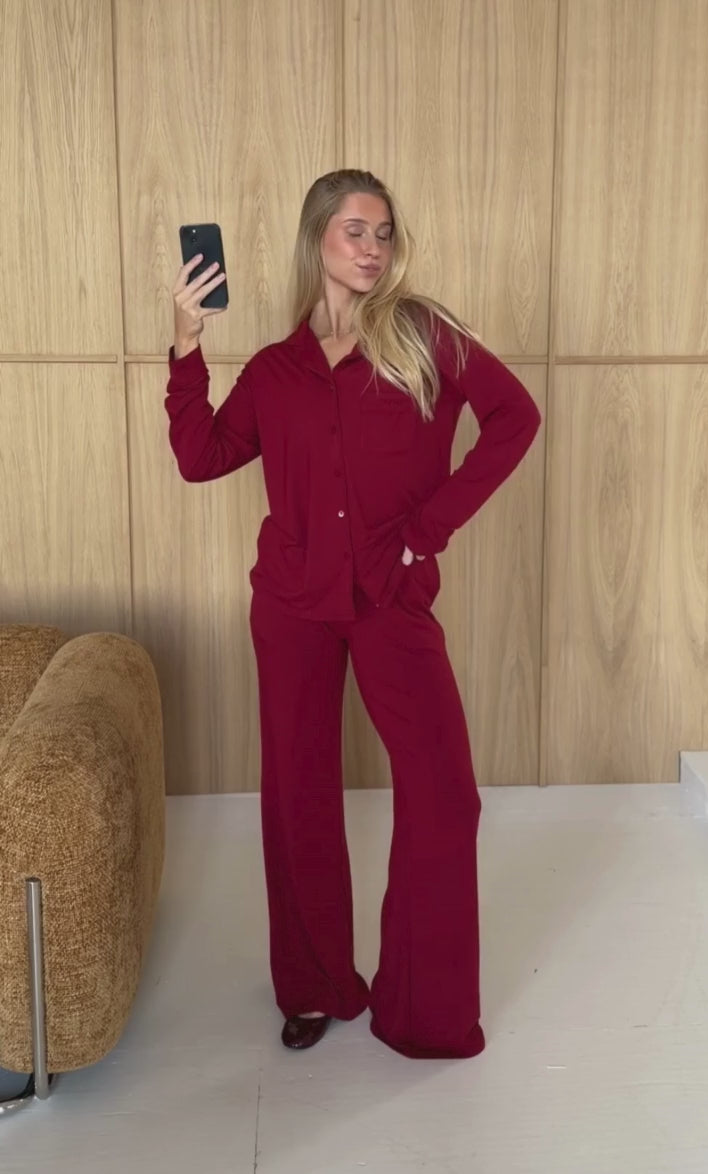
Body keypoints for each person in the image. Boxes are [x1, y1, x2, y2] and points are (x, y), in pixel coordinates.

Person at [165, 169, 541, 1060]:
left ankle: (425, 1010)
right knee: (297, 795)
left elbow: (515, 418)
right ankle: (315, 985)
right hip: (291, 604)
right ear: (316, 240)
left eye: (383, 232)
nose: (372, 248)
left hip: (389, 599)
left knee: (444, 795)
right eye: (354, 231)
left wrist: (427, 531)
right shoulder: (274, 369)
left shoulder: (425, 337)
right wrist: (186, 346)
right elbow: (201, 455)